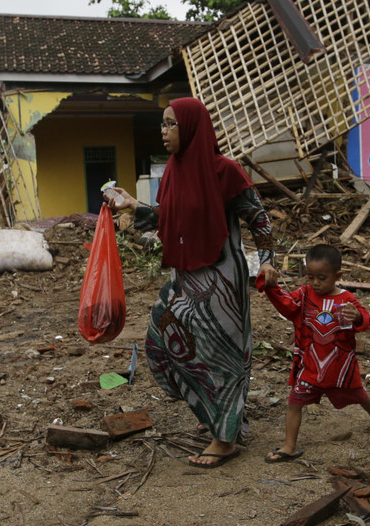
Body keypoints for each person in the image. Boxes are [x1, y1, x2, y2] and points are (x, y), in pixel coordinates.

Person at [106, 98, 278, 468]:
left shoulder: (224, 170)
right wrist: (133, 206)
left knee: (220, 357)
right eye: (162, 124)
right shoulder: (172, 172)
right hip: (184, 278)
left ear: (191, 127)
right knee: (163, 344)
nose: (163, 131)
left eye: (170, 124)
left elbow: (259, 218)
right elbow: (166, 223)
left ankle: (225, 438)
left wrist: (267, 262)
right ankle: (219, 417)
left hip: (222, 281)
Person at [258, 243, 370, 463]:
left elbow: (368, 322)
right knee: (295, 401)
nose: (316, 283)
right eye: (311, 277)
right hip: (310, 366)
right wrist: (270, 287)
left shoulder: (347, 299)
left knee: (360, 394)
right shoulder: (304, 295)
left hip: (340, 368)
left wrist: (357, 317)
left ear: (337, 275)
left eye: (322, 277)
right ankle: (290, 445)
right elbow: (287, 305)